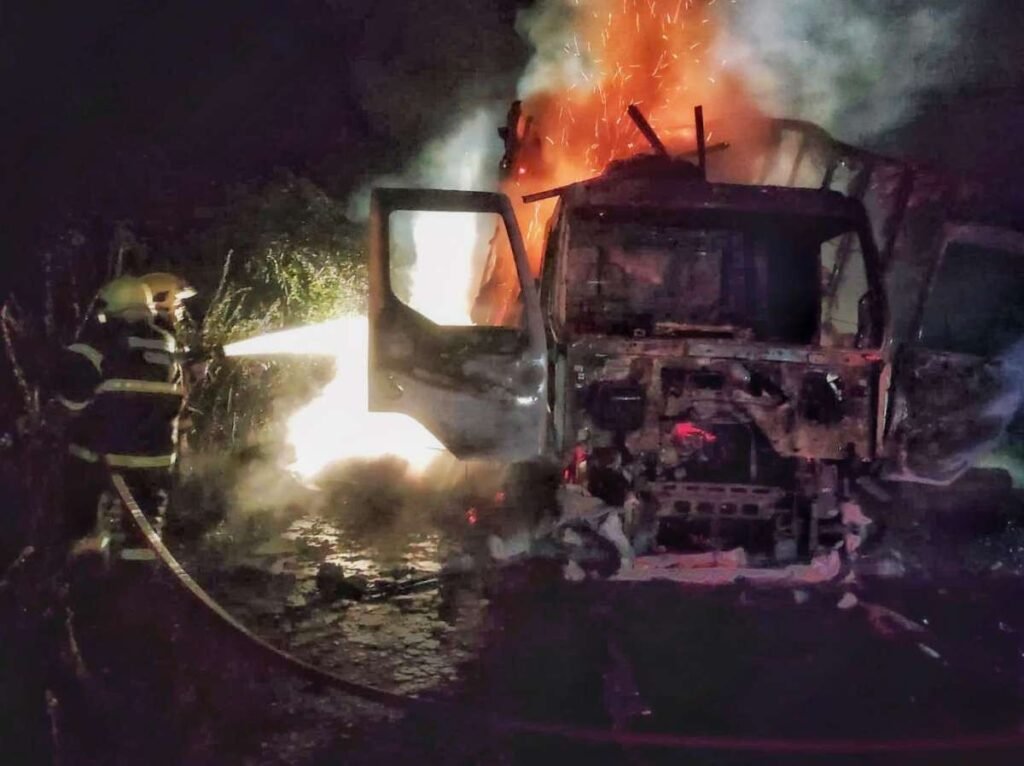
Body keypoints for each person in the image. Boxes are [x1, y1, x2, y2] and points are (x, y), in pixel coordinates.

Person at [53, 275, 184, 561]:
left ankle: (82, 553)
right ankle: (137, 577)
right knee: (145, 533)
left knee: (80, 506)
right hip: (157, 462)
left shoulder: (96, 344)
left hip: (105, 461)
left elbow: (71, 405)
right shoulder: (168, 345)